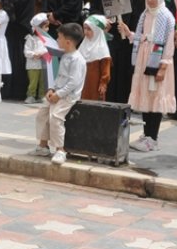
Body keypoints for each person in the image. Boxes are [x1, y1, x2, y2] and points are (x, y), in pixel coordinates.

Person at [120, 0, 177, 153]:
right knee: (147, 98)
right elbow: (141, 37)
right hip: (144, 59)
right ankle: (146, 135)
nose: (150, 0)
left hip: (157, 61)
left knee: (155, 98)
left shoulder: (166, 16)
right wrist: (128, 32)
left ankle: (153, 138)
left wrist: (163, 67)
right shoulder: (145, 14)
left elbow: (168, 44)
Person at [30, 22, 86, 165]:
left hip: (68, 96)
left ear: (67, 42)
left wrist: (59, 94)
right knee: (43, 113)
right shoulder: (66, 55)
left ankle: (60, 150)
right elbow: (59, 77)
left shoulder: (77, 59)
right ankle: (43, 146)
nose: (57, 40)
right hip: (58, 93)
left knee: (56, 117)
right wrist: (51, 89)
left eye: (59, 38)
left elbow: (73, 82)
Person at [78, 12, 113, 101]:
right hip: (82, 84)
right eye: (84, 28)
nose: (86, 32)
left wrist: (103, 84)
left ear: (97, 30)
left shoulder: (102, 49)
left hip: (95, 86)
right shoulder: (83, 45)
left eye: (89, 29)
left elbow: (105, 70)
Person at [23, 13, 50, 103]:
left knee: (43, 81)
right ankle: (31, 95)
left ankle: (42, 95)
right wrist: (34, 54)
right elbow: (26, 51)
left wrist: (44, 54)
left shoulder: (47, 39)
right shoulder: (30, 39)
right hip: (33, 64)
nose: (47, 29)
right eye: (45, 27)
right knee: (33, 82)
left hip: (43, 64)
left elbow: (48, 50)